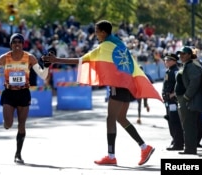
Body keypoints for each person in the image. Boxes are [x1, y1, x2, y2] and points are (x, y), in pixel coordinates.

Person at [42, 20, 156, 166]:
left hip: (118, 85)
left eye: (96, 31)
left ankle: (112, 156)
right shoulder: (119, 43)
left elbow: (82, 60)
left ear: (103, 32)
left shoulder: (104, 46)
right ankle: (144, 148)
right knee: (121, 118)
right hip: (128, 83)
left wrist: (56, 59)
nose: (95, 35)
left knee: (111, 119)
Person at [0, 33, 50, 163]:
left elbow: (42, 76)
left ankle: (18, 153)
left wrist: (46, 66)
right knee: (8, 124)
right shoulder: (5, 58)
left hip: (23, 93)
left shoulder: (29, 58)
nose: (17, 44)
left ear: (23, 44)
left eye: (19, 42)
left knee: (22, 125)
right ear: (10, 44)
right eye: (14, 42)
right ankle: (7, 122)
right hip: (9, 93)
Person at [175, 46, 202, 154]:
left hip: (188, 100)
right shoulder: (188, 65)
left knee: (189, 125)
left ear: (189, 55)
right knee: (188, 124)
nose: (181, 56)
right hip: (185, 99)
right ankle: (190, 148)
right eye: (180, 54)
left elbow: (195, 81)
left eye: (183, 54)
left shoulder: (191, 66)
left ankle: (190, 149)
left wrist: (187, 96)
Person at [161, 53, 184, 151]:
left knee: (175, 121)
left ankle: (178, 143)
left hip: (173, 101)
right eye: (165, 60)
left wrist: (172, 94)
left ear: (174, 61)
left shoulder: (175, 71)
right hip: (168, 101)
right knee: (171, 121)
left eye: (168, 60)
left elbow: (180, 85)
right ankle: (175, 140)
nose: (166, 62)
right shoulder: (169, 71)